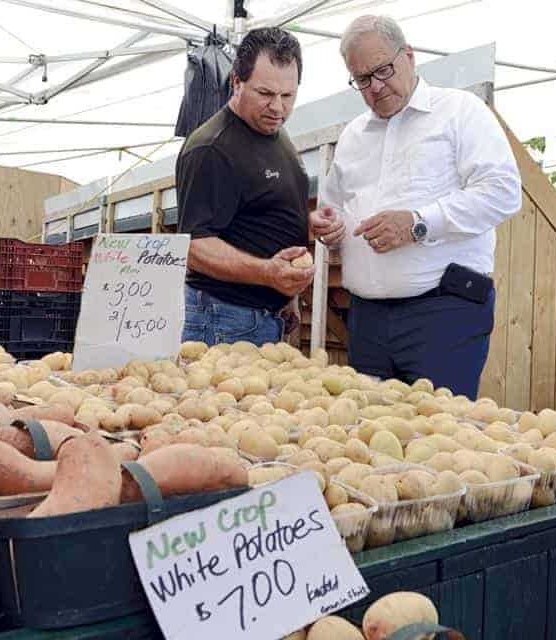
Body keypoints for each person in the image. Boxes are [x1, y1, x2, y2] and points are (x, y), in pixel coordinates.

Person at [311, 15, 521, 399]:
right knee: (367, 436)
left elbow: (503, 191)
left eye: (383, 70)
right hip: (367, 320)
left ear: (409, 56)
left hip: (443, 315)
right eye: (362, 79)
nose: (375, 87)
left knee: (439, 439)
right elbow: (334, 207)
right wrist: (328, 226)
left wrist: (418, 224)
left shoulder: (460, 112)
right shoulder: (354, 134)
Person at [177, 27, 314, 347]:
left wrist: (286, 293)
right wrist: (268, 273)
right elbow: (195, 247)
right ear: (237, 83)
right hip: (223, 318)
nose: (278, 108)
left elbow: (264, 217)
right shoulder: (211, 148)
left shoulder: (276, 133)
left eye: (287, 95)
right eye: (265, 94)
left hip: (263, 314)